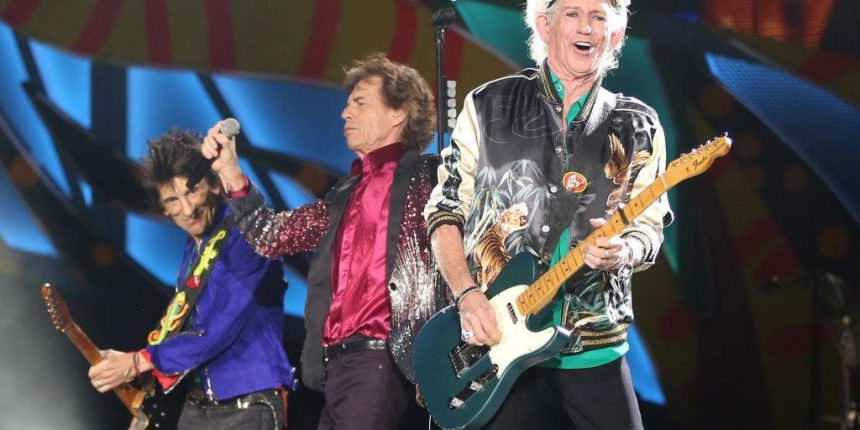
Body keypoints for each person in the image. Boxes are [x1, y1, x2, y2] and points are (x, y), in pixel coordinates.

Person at [423, 0, 673, 428]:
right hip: (497, 340)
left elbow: (648, 229)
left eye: (599, 17)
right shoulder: (489, 104)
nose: (586, 27)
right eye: (573, 13)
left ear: (615, 36)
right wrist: (467, 295)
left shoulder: (638, 126)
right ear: (544, 26)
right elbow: (445, 211)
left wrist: (624, 251)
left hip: (593, 344)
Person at [201, 54, 445, 429]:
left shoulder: (430, 177)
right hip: (336, 367)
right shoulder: (343, 196)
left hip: (382, 358)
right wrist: (230, 172)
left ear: (399, 113)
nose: (345, 113)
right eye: (348, 104)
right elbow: (271, 235)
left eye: (360, 102)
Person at [88, 130, 294, 429]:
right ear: (163, 208)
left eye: (192, 191)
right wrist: (134, 375)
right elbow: (186, 334)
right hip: (196, 408)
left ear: (213, 184)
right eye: (173, 200)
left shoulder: (244, 235)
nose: (187, 209)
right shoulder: (191, 251)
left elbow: (217, 328)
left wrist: (137, 362)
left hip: (248, 404)